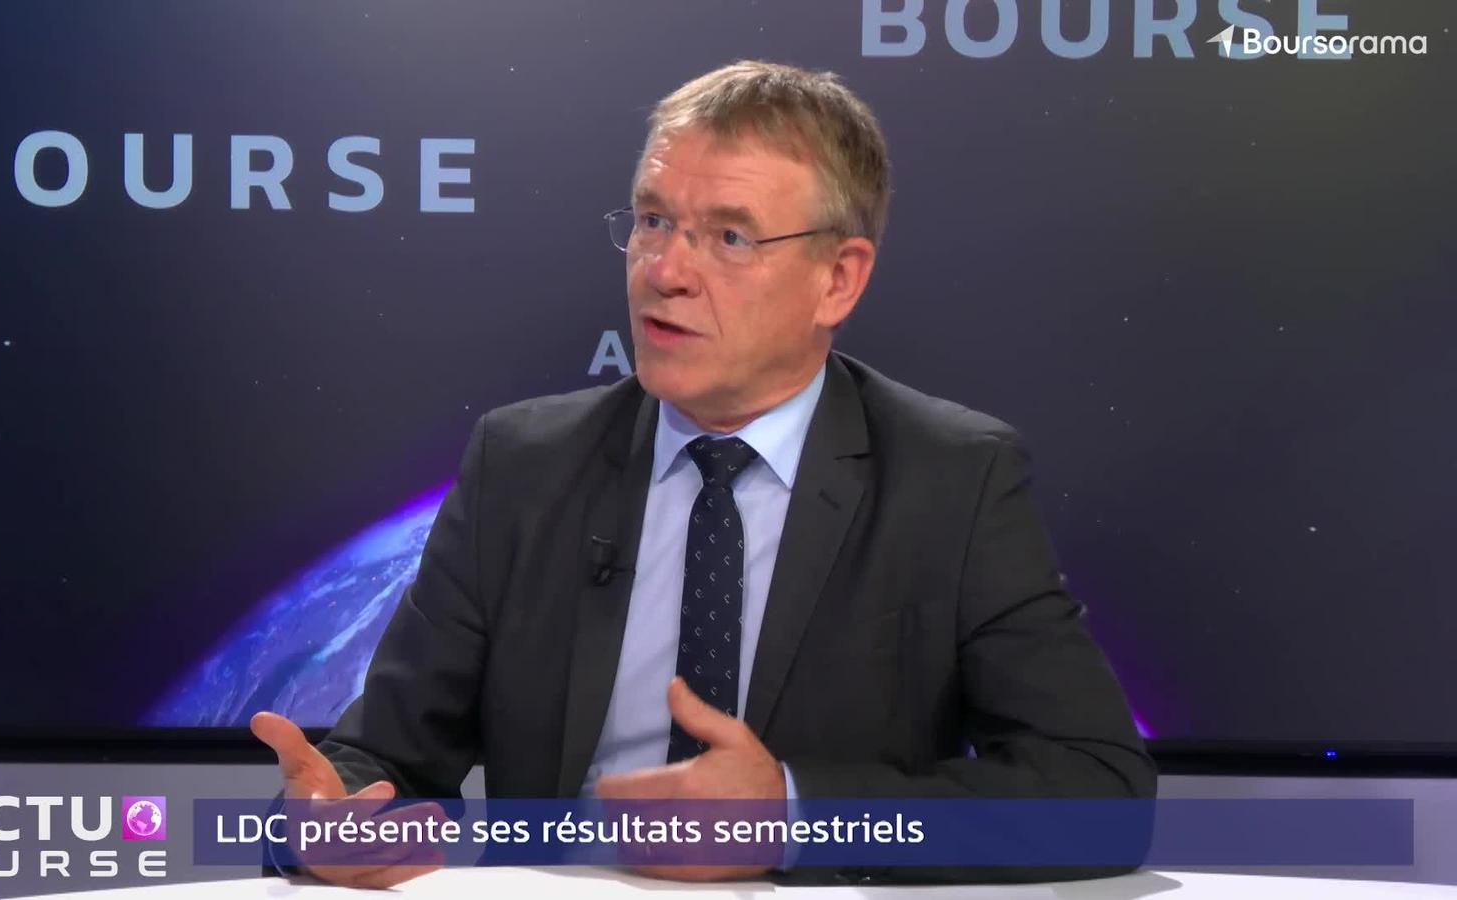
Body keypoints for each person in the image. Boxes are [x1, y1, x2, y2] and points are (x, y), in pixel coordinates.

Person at [252, 59, 1155, 888]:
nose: (666, 271)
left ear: (838, 280)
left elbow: (1099, 791)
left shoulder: (951, 478)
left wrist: (795, 819)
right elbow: (381, 763)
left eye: (728, 236)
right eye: (653, 221)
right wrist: (327, 820)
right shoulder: (523, 465)